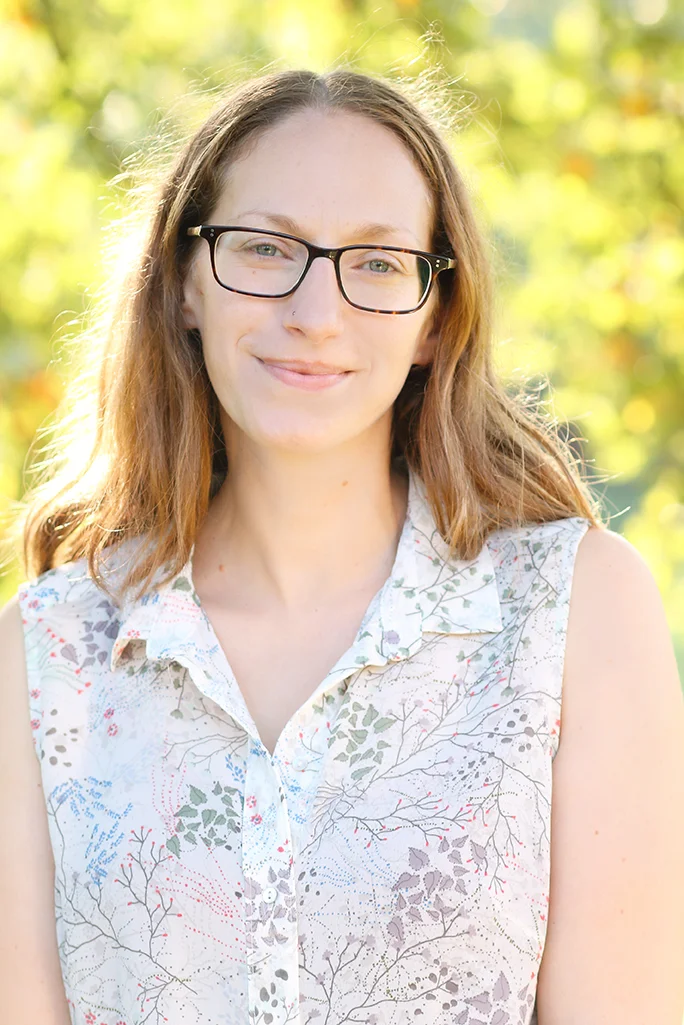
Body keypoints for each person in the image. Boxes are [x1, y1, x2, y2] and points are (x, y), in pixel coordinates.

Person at [1, 68, 683, 1025]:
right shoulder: (50, 649)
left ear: (436, 315)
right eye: (267, 248)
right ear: (185, 282)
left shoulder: (574, 614)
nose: (315, 313)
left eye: (375, 262)